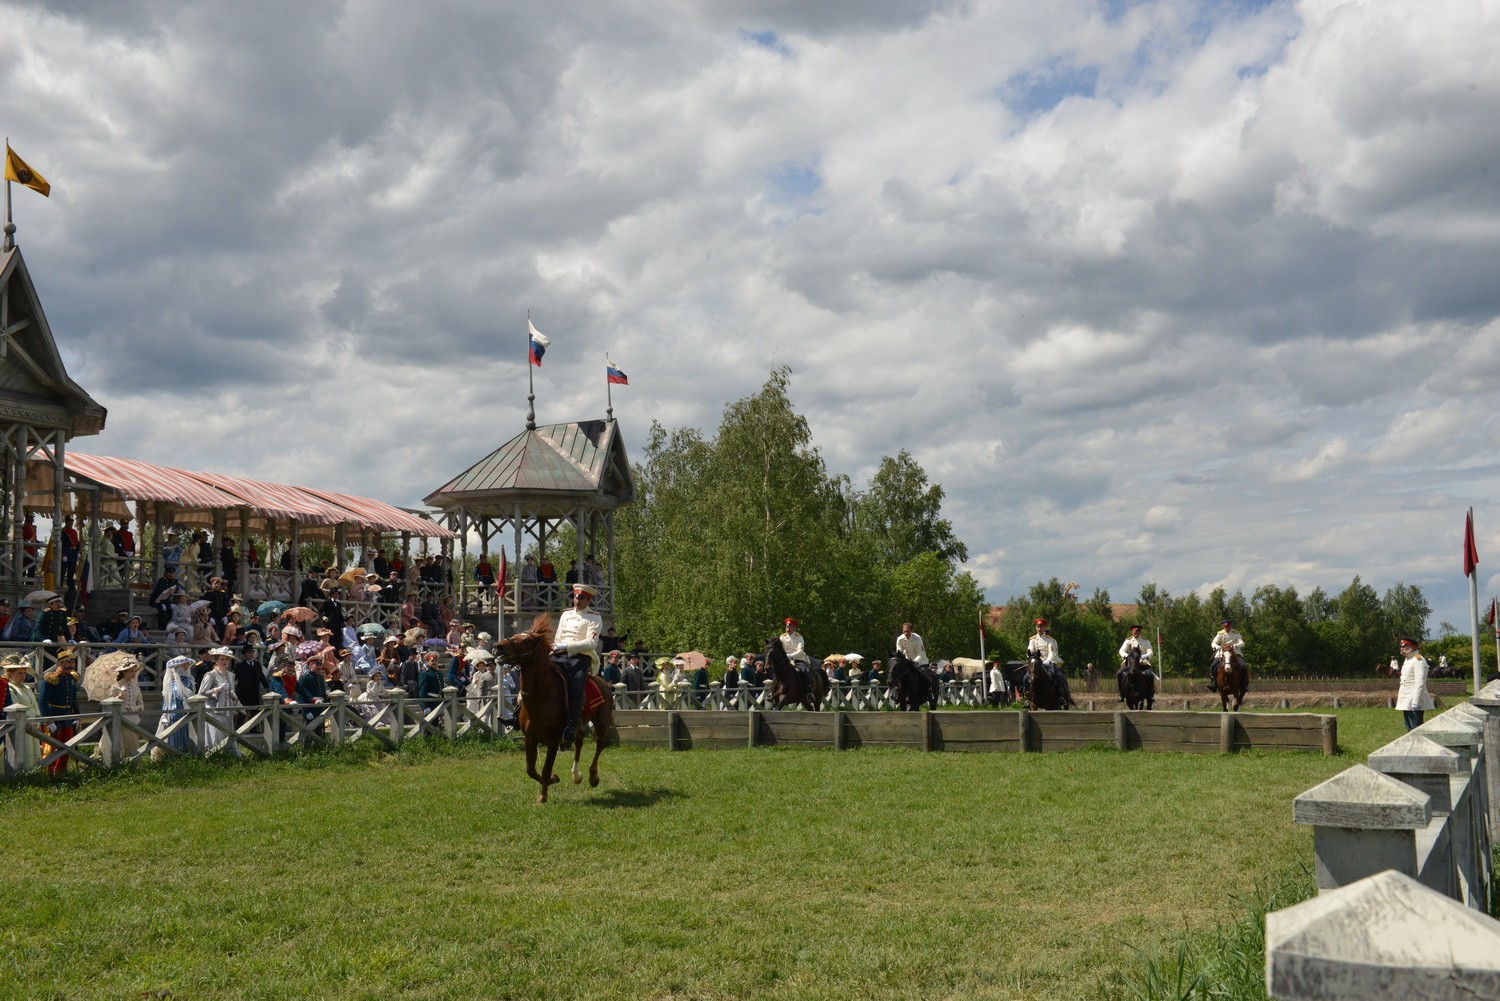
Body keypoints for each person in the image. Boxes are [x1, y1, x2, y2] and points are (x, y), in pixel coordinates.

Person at [553, 582, 602, 744]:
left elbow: (591, 644)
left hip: (580, 657)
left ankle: (571, 727)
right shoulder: (565, 614)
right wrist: (555, 649)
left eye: (581, 598)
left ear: (588, 600)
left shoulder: (594, 617)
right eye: (575, 597)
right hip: (559, 654)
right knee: (536, 674)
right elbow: (558, 637)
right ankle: (517, 715)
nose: (577, 600)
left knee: (576, 687)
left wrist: (566, 646)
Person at [37, 649, 81, 776]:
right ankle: (48, 774)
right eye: (66, 662)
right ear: (59, 663)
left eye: (72, 662)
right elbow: (42, 701)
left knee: (67, 747)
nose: (70, 665)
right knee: (51, 749)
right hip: (54, 717)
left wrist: (77, 716)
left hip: (67, 718)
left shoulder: (72, 678)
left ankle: (62, 772)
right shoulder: (51, 679)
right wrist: (48, 720)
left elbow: (74, 700)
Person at [2, 655, 40, 770]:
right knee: (24, 750)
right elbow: (15, 706)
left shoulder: (27, 688)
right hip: (20, 726)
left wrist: (37, 719)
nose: (23, 676)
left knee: (34, 750)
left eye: (24, 673)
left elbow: (35, 705)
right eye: (20, 673)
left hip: (33, 725)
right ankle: (22, 774)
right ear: (11, 673)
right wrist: (27, 721)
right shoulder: (10, 688)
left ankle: (35, 772)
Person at [197, 647, 238, 754]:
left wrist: (233, 694)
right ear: (216, 661)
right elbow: (201, 693)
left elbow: (231, 690)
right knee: (216, 732)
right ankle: (213, 753)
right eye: (222, 659)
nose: (225, 662)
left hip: (228, 709)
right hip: (214, 709)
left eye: (226, 659)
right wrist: (216, 690)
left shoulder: (230, 675)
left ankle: (229, 753)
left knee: (228, 732)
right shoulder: (210, 675)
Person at [154, 654, 196, 760]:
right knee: (173, 736)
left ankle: (183, 756)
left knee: (183, 735)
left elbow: (189, 695)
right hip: (172, 713)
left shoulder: (188, 681)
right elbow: (166, 699)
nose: (186, 668)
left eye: (187, 665)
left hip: (185, 712)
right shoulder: (170, 683)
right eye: (183, 665)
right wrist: (164, 714)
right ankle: (172, 756)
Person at [1394, 636, 1435, 731]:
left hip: (1414, 699)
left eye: (1404, 646)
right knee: (1409, 728)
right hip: (1406, 699)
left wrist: (1416, 702)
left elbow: (1420, 683)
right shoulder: (1408, 659)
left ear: (1412, 647)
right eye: (1401, 647)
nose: (1401, 649)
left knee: (1416, 729)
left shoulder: (1418, 660)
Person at [1116, 626, 1155, 702]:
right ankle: (1121, 694)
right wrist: (1127, 656)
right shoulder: (1128, 641)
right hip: (1130, 663)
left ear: (1140, 632)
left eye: (1137, 632)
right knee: (1119, 674)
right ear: (1132, 632)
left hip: (1142, 663)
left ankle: (1150, 695)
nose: (1135, 634)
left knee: (1150, 675)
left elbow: (1150, 651)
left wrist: (1145, 656)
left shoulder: (1145, 641)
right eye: (1134, 632)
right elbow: (1121, 650)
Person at [1207, 619, 1246, 693]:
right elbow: (1213, 643)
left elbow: (1242, 643)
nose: (1227, 628)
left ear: (1231, 626)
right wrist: (1217, 646)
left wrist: (1236, 645)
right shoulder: (1220, 634)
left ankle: (1243, 684)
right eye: (1225, 627)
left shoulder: (1236, 633)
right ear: (1223, 626)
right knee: (1213, 666)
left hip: (1234, 653)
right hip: (1223, 653)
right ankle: (1214, 684)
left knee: (1243, 666)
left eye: (1228, 627)